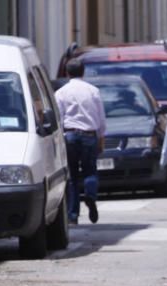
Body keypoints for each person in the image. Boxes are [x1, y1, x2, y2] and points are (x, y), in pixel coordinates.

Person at [54, 58, 107, 224]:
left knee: (72, 176)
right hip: (89, 135)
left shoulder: (61, 93)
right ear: (83, 72)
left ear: (67, 73)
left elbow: (59, 118)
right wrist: (101, 136)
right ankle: (90, 196)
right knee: (90, 171)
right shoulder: (93, 91)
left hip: (69, 136)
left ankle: (72, 215)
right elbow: (101, 117)